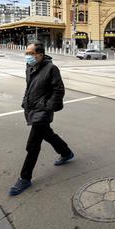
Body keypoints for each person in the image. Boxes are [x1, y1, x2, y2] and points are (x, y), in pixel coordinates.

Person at [9, 42, 74, 196]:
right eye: (26, 53)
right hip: (32, 108)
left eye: (30, 53)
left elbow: (59, 90)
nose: (27, 56)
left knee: (32, 145)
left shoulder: (51, 69)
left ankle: (25, 178)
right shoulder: (30, 67)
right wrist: (25, 102)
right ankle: (66, 153)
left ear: (40, 54)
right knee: (48, 134)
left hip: (42, 111)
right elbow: (29, 87)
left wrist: (47, 107)